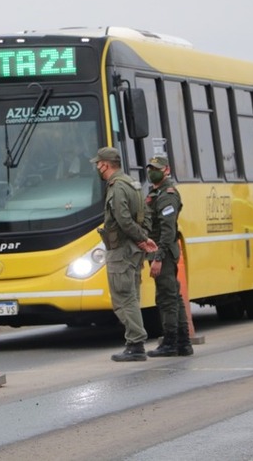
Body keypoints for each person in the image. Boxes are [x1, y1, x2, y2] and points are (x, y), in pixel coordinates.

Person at [91, 147, 158, 362]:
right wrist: (144, 237)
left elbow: (122, 218)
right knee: (132, 296)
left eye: (98, 163)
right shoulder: (132, 184)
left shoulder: (117, 187)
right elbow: (145, 214)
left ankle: (135, 343)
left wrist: (140, 238)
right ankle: (135, 342)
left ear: (106, 165)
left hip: (121, 249)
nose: (97, 167)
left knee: (123, 297)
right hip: (133, 249)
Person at [143, 156, 193, 357]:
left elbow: (167, 231)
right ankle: (183, 343)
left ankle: (171, 342)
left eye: (156, 168)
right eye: (150, 168)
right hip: (160, 251)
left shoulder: (167, 195)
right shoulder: (156, 193)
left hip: (162, 253)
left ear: (166, 170)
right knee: (174, 296)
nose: (151, 172)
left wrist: (158, 257)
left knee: (166, 298)